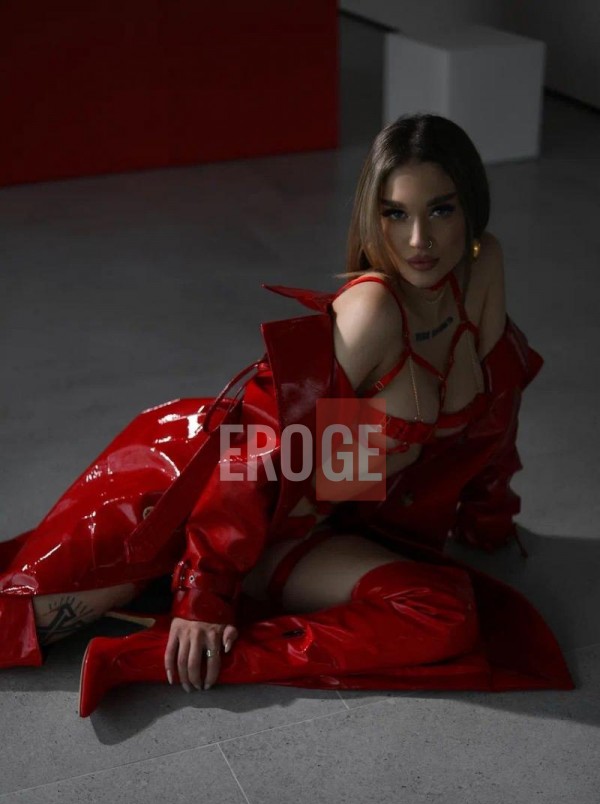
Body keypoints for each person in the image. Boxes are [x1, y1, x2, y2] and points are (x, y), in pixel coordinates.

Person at [0, 114, 574, 715]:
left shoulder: (481, 267)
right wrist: (203, 595)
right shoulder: (375, 310)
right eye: (395, 213)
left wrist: (489, 518)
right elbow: (261, 447)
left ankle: (151, 657)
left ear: (470, 207)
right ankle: (178, 622)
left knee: (445, 612)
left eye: (441, 210)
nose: (417, 241)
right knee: (25, 618)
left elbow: (497, 406)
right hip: (199, 483)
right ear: (372, 217)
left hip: (313, 527)